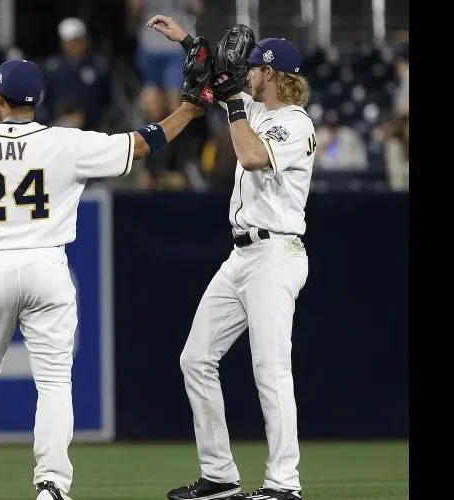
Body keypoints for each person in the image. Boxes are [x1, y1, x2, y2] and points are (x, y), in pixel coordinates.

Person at [0, 52, 210, 500]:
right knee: (54, 382)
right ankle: (52, 484)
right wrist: (188, 110)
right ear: (34, 101)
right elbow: (142, 143)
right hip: (47, 265)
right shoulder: (65, 143)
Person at [149, 15, 314, 500]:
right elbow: (214, 75)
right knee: (195, 358)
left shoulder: (294, 124)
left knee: (271, 368)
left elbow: (252, 157)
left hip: (277, 252)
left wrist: (236, 106)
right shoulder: (254, 108)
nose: (248, 73)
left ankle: (284, 484)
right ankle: (220, 475)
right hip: (241, 255)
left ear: (273, 73)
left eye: (255, 68)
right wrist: (188, 41)